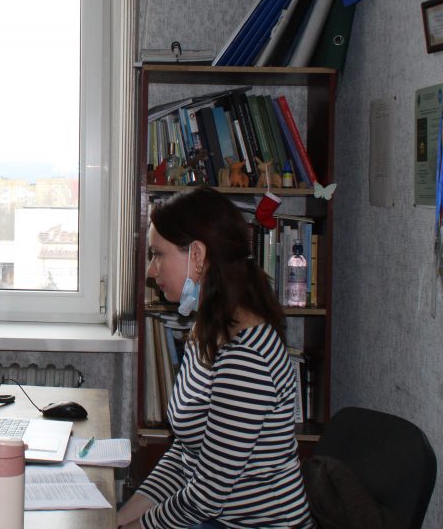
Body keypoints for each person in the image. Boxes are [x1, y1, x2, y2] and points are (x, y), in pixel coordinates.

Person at [118, 187, 313, 529]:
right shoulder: (209, 330)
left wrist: (137, 527)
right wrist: (119, 520)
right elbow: (183, 455)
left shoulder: (246, 358)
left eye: (157, 254)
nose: (150, 270)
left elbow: (206, 497)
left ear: (197, 255)